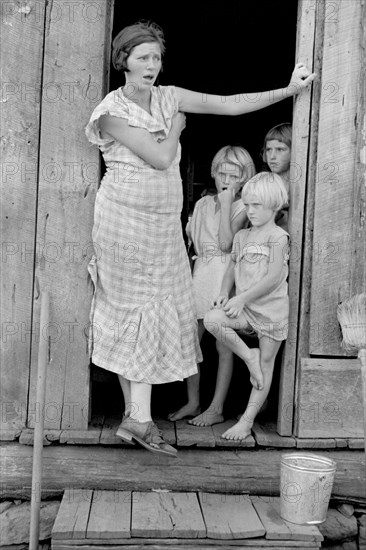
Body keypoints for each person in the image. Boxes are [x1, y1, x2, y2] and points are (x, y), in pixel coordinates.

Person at [85, 20, 315, 456]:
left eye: (156, 57)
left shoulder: (169, 96)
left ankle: (138, 419)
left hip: (162, 227)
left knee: (159, 310)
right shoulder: (111, 111)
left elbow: (229, 105)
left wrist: (288, 91)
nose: (152, 65)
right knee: (129, 310)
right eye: (143, 57)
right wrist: (176, 128)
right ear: (124, 61)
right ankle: (139, 418)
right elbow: (159, 156)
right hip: (123, 224)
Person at [168, 146, 255, 426]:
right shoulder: (203, 204)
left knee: (223, 345)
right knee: (191, 341)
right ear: (214, 173)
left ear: (245, 177)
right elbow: (192, 243)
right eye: (221, 173)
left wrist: (228, 203)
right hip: (201, 273)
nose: (226, 180)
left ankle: (216, 407)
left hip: (226, 274)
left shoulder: (244, 206)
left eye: (234, 174)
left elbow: (226, 244)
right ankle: (193, 402)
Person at [204, 172, 290, 440]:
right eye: (248, 204)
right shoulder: (241, 236)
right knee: (212, 319)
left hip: (270, 311)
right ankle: (247, 355)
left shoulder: (278, 237)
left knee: (266, 364)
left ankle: (246, 420)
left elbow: (274, 277)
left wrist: (242, 298)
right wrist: (223, 292)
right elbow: (231, 269)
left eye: (257, 206)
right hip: (245, 311)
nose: (249, 211)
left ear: (274, 206)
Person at [261, 122, 292, 230]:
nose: (272, 156)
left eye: (280, 149)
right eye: (269, 150)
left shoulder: (301, 184)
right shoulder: (262, 184)